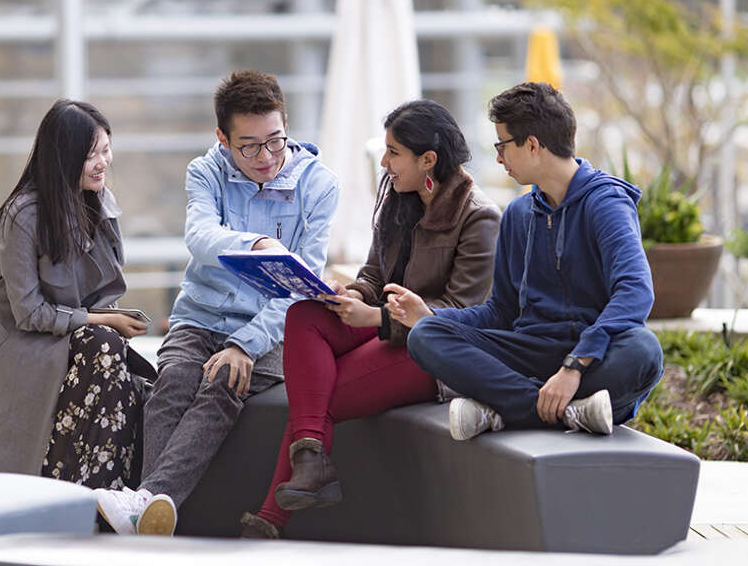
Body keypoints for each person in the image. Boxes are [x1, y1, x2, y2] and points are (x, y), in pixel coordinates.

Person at [237, 99, 501, 539]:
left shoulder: (480, 218)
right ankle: (308, 470)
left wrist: (375, 317)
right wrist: (349, 295)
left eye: (394, 152)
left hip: (434, 350)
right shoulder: (400, 198)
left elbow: (461, 316)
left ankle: (270, 522)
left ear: (428, 160)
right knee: (305, 314)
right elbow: (374, 274)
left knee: (317, 397)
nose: (384, 162)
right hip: (384, 324)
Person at [94, 70, 340, 535]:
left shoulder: (319, 185)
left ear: (285, 125)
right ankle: (151, 511)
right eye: (249, 145)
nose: (266, 157)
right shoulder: (204, 170)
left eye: (276, 140)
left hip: (274, 328)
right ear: (222, 138)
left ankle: (145, 502)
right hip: (200, 316)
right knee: (172, 385)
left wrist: (244, 345)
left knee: (223, 380)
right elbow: (200, 236)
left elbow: (299, 289)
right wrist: (257, 246)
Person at [397, 82, 663, 442]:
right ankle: (567, 412)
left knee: (643, 350)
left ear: (533, 145)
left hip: (591, 357)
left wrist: (574, 365)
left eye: (502, 145)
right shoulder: (518, 215)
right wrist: (431, 316)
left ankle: (507, 410)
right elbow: (500, 311)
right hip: (529, 351)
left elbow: (635, 292)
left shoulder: (606, 203)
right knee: (427, 335)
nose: (498, 158)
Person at [0, 99, 156, 492]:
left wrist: (112, 319)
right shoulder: (24, 214)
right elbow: (29, 313)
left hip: (69, 337)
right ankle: (83, 490)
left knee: (122, 371)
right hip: (17, 346)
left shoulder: (97, 202)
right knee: (104, 344)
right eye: (91, 155)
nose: (104, 162)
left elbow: (105, 289)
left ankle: (103, 497)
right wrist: (105, 321)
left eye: (106, 150)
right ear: (64, 157)